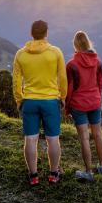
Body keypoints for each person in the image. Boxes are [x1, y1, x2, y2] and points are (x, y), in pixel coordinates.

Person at [13, 20, 67, 186]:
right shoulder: (55, 52)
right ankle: (53, 174)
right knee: (52, 139)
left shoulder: (20, 54)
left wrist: (19, 99)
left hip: (29, 101)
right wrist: (63, 96)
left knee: (30, 139)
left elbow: (16, 81)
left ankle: (33, 175)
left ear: (32, 33)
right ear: (46, 33)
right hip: (50, 101)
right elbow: (63, 78)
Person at [65, 31, 102, 182]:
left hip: (79, 104)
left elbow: (69, 89)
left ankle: (88, 172)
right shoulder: (98, 62)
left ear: (75, 45)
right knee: (98, 135)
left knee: (84, 138)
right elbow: (100, 83)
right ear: (88, 43)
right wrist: (97, 98)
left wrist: (67, 108)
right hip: (95, 101)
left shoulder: (71, 65)